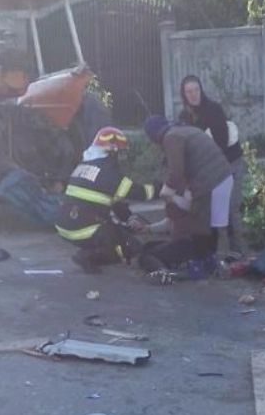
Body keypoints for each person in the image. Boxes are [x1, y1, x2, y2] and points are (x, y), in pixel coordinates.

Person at [56, 126, 159, 274]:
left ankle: (90, 250)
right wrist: (162, 188)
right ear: (112, 152)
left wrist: (129, 218)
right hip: (82, 228)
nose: (121, 158)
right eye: (120, 153)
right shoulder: (108, 172)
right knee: (126, 249)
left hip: (65, 225)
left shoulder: (85, 166)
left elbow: (114, 201)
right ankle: (87, 256)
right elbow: (140, 193)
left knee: (120, 235)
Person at [143, 115, 233, 275]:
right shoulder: (186, 130)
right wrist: (149, 227)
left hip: (209, 181)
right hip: (224, 176)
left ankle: (201, 264)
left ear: (154, 135)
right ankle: (215, 261)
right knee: (215, 224)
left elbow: (176, 173)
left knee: (201, 224)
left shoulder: (171, 138)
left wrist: (167, 191)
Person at [178, 75, 246, 254]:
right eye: (189, 92)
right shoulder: (184, 117)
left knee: (231, 209)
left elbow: (221, 143)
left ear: (201, 90)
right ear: (184, 95)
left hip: (230, 163)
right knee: (210, 210)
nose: (193, 95)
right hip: (207, 169)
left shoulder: (213, 110)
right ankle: (216, 252)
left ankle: (238, 251)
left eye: (196, 90)